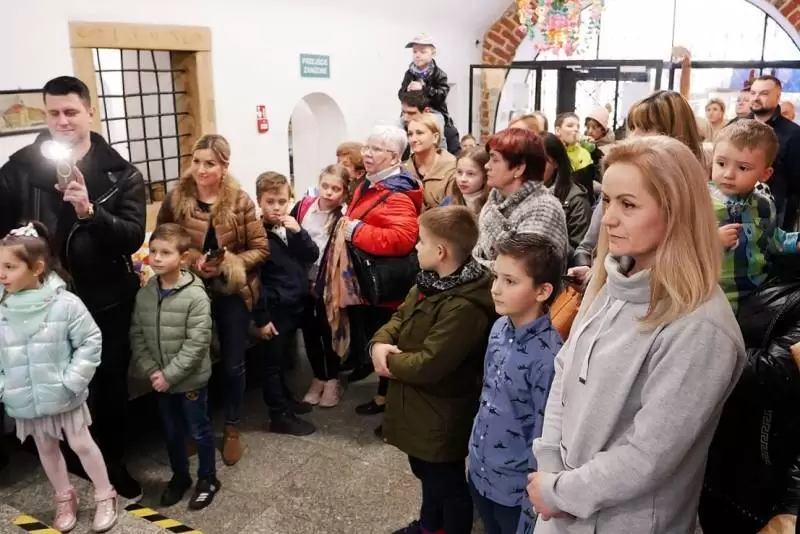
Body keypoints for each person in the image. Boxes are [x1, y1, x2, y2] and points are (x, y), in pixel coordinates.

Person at [527, 136, 745, 533]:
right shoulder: (612, 282)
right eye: (607, 200)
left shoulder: (701, 327)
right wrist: (551, 466)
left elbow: (649, 455)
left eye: (628, 205)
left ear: (675, 212)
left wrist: (560, 491)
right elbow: (566, 372)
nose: (608, 219)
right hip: (562, 507)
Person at [0, 75, 145, 500]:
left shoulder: (121, 173)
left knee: (108, 383)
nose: (62, 121)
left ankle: (112, 461)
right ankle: (67, 462)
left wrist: (89, 211)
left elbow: (132, 237)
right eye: (53, 113)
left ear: (89, 112)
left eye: (70, 112)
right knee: (52, 379)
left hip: (105, 297)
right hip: (41, 300)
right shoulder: (21, 168)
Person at [373, 206, 495, 534]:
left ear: (440, 251)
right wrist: (380, 344)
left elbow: (430, 363)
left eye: (421, 241)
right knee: (426, 471)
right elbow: (399, 318)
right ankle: (430, 525)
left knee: (445, 479)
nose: (415, 246)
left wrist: (387, 363)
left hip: (442, 410)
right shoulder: (430, 282)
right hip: (421, 406)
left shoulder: (464, 306)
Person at [157, 134, 269, 466]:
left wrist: (229, 264)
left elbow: (260, 249)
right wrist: (191, 260)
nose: (201, 170)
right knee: (194, 363)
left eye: (210, 163)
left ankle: (232, 426)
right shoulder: (177, 197)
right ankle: (197, 427)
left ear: (224, 166)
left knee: (233, 363)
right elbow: (162, 240)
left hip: (231, 291)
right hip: (190, 290)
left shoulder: (240, 201)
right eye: (197, 162)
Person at [0, 222, 117, 533]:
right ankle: (64, 497)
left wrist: (72, 381)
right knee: (46, 448)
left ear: (37, 268)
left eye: (10, 267)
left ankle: (105, 493)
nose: (2, 274)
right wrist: (4, 386)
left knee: (81, 443)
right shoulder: (2, 307)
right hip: (24, 395)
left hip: (63, 393)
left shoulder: (64, 304)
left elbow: (90, 340)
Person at [468, 233, 564, 534]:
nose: (495, 289)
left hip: (515, 491)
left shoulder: (549, 357)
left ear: (542, 291)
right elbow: (488, 395)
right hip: (481, 470)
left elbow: (543, 433)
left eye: (510, 281)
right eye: (496, 277)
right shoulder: (499, 327)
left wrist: (530, 507)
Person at [700, 264, 800, 533]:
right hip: (729, 460)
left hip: (766, 486)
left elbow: (770, 372)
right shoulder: (777, 269)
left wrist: (694, 342)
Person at [569, 90, 705, 285]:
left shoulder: (699, 203)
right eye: (632, 127)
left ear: (675, 136)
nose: (634, 136)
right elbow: (587, 247)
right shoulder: (619, 188)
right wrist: (592, 272)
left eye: (646, 128)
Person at [129, 224, 217, 510]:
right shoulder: (145, 293)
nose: (156, 258)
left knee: (199, 430)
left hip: (189, 381)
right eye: (153, 251)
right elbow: (137, 334)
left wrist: (169, 375)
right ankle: (180, 476)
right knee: (172, 431)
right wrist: (152, 371)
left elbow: (197, 342)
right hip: (160, 380)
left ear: (183, 257)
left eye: (165, 253)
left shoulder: (195, 295)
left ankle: (208, 478)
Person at [346, 125, 423, 432]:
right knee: (379, 339)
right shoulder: (372, 182)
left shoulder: (397, 192)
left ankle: (394, 413)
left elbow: (402, 239)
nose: (367, 153)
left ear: (394, 157)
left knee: (388, 344)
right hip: (372, 282)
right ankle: (382, 397)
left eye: (376, 149)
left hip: (387, 285)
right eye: (367, 146)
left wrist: (356, 231)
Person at [252, 172, 318, 436]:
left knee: (283, 360)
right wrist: (261, 317)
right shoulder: (256, 235)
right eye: (270, 202)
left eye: (282, 201)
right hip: (274, 307)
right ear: (259, 201)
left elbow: (311, 254)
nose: (277, 208)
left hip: (294, 303)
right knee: (271, 363)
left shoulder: (291, 229)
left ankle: (286, 400)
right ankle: (278, 415)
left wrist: (299, 232)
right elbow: (253, 281)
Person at [710, 120, 798, 312]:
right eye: (721, 163)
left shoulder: (764, 204)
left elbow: (771, 239)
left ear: (765, 174)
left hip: (757, 294)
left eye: (743, 168)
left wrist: (794, 242)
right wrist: (711, 240)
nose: (728, 174)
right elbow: (679, 245)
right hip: (713, 295)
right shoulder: (700, 201)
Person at [296, 165, 351, 408]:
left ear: (344, 192)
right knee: (309, 331)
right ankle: (318, 376)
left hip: (328, 283)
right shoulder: (304, 207)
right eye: (325, 186)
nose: (328, 192)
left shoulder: (343, 217)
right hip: (302, 280)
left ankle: (332, 379)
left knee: (329, 330)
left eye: (335, 189)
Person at [472, 128, 568, 269]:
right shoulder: (494, 200)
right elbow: (477, 251)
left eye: (495, 160)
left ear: (519, 168)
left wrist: (474, 265)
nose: (487, 166)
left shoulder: (544, 208)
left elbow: (519, 269)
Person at [734, 75, 800, 230]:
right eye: (753, 93)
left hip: (777, 213)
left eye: (763, 93)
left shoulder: (793, 133)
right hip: (736, 208)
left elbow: (796, 181)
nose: (756, 97)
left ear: (778, 97)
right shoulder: (735, 127)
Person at [398, 33, 459, 154]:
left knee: (438, 126)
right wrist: (406, 90)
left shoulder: (439, 74)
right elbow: (400, 94)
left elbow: (441, 95)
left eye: (423, 52)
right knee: (397, 126)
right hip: (413, 109)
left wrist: (424, 88)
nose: (418, 55)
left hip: (434, 111)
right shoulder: (409, 73)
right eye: (415, 51)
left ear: (433, 53)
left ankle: (440, 154)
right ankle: (400, 154)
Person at [542, 133, 591, 262]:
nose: (534, 167)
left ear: (556, 163)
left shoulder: (576, 200)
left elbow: (580, 254)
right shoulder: (520, 192)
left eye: (543, 161)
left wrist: (546, 235)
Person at [404, 114, 457, 210]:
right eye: (410, 134)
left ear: (435, 137)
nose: (413, 139)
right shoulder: (403, 170)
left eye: (419, 133)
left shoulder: (452, 168)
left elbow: (450, 212)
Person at [554, 112, 595, 202]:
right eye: (570, 126)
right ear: (558, 130)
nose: (576, 129)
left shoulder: (585, 154)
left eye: (578, 127)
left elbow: (588, 189)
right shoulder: (552, 153)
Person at [441, 148, 490, 215]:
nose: (463, 179)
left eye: (470, 174)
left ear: (485, 176)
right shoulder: (447, 203)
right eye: (459, 172)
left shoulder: (491, 206)